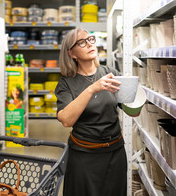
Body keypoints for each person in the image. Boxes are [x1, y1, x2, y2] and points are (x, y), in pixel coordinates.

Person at [54, 28, 127, 196]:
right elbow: (66, 120)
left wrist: (132, 91)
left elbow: (133, 112)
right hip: (84, 156)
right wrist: (92, 88)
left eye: (91, 39)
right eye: (82, 42)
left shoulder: (111, 74)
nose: (89, 44)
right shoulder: (67, 83)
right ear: (72, 53)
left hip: (115, 154)